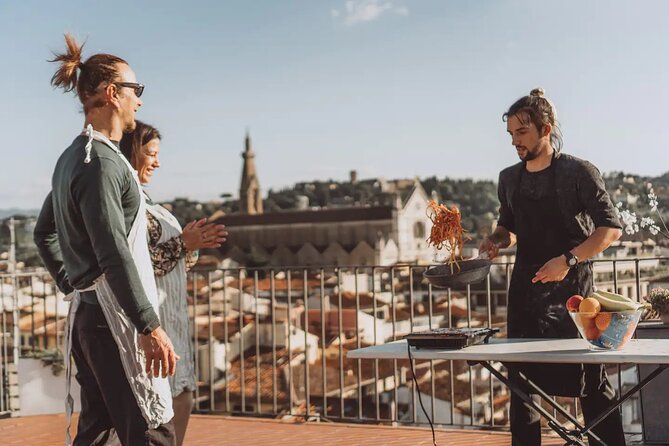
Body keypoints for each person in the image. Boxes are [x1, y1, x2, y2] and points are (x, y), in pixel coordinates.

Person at [34, 34, 177, 446]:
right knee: (151, 432)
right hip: (115, 323)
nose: (141, 101)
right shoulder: (100, 164)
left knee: (97, 430)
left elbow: (43, 234)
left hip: (90, 317)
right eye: (137, 90)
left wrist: (73, 283)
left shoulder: (73, 158)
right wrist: (149, 325)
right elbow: (113, 250)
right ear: (113, 93)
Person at [479, 88, 625, 446]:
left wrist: (568, 259)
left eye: (522, 133)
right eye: (511, 134)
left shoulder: (579, 172)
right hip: (525, 297)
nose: (515, 141)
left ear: (546, 129)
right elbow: (508, 227)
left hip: (574, 295)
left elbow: (611, 230)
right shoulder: (508, 179)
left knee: (591, 385)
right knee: (521, 388)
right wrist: (495, 241)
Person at [119, 121, 227, 446]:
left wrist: (191, 245)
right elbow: (137, 263)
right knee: (163, 405)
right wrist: (183, 243)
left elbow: (173, 265)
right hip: (153, 320)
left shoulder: (150, 203)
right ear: (132, 152)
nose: (157, 161)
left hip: (173, 317)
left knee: (182, 396)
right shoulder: (129, 205)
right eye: (151, 153)